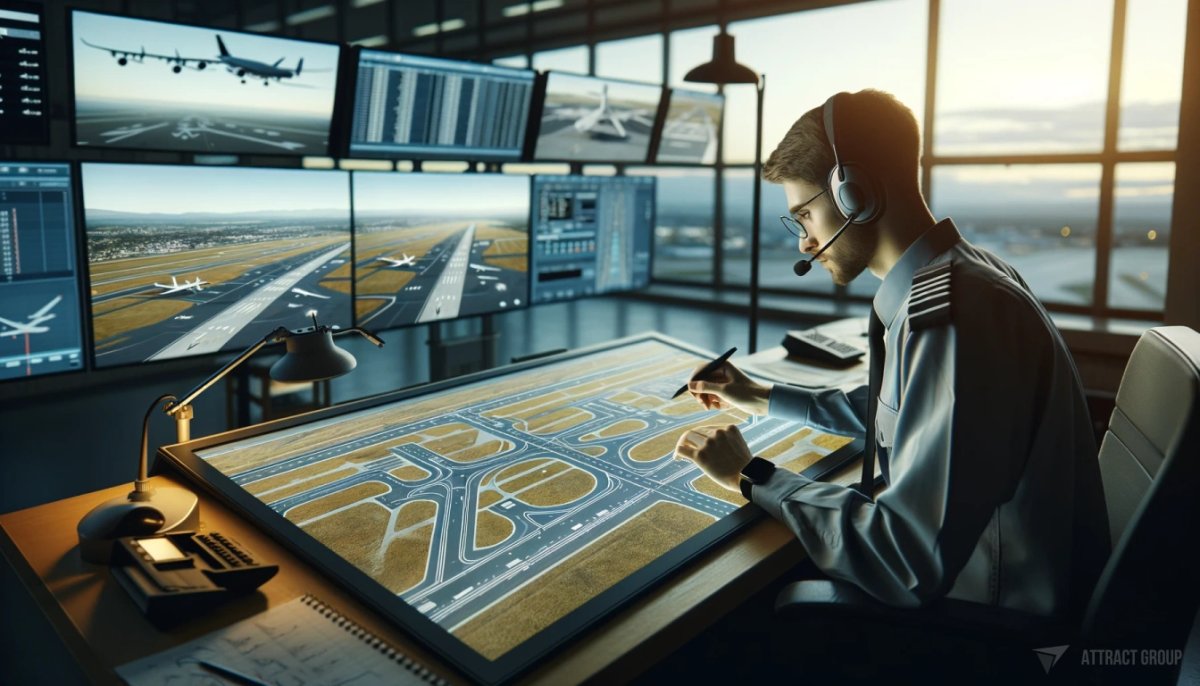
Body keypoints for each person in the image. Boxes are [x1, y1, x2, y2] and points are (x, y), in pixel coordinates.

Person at [673, 89, 1110, 620]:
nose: (804, 243)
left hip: (993, 626)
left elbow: (906, 559)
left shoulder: (954, 323)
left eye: (805, 216)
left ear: (856, 195)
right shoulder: (969, 276)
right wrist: (759, 395)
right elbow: (913, 415)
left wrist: (752, 475)